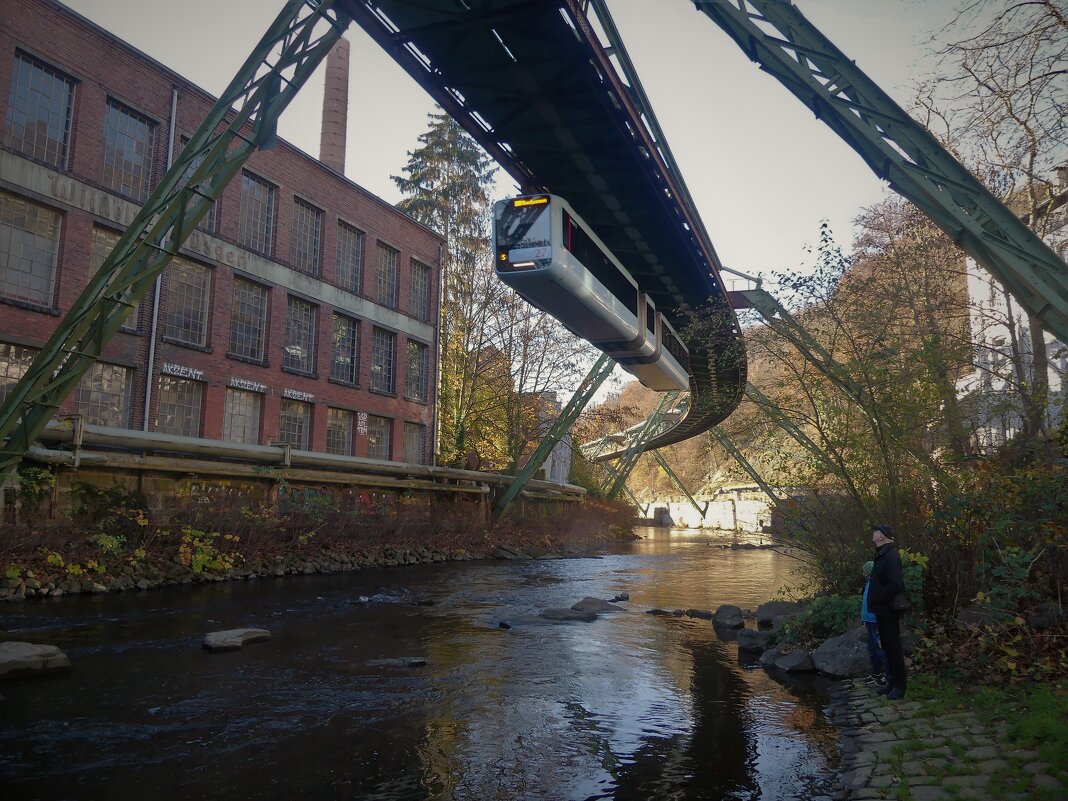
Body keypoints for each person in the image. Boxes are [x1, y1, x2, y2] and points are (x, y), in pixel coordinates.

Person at [867, 523, 907, 699]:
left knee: (893, 649)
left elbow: (896, 584)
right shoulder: (882, 554)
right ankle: (891, 683)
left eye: (875, 532)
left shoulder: (890, 556)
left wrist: (877, 597)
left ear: (881, 536)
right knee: (887, 647)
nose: (873, 534)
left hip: (889, 609)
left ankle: (899, 685)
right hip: (882, 609)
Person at [861, 560, 888, 687]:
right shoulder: (868, 584)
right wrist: (864, 620)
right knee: (872, 649)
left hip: (878, 622)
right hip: (869, 621)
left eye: (865, 572)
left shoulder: (879, 586)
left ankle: (888, 676)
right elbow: (865, 605)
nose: (863, 574)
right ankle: (876, 673)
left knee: (881, 649)